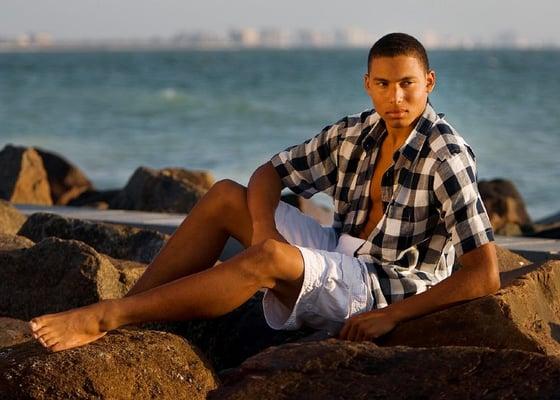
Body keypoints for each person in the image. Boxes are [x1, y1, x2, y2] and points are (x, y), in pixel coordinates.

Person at [30, 32, 499, 352]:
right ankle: (133, 314)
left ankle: (105, 317)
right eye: (383, 84)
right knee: (226, 196)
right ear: (368, 85)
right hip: (342, 254)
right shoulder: (357, 132)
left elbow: (484, 275)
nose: (395, 98)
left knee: (269, 261)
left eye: (407, 85)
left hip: (385, 286)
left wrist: (392, 317)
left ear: (429, 83)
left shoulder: (446, 155)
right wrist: (262, 229)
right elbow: (268, 173)